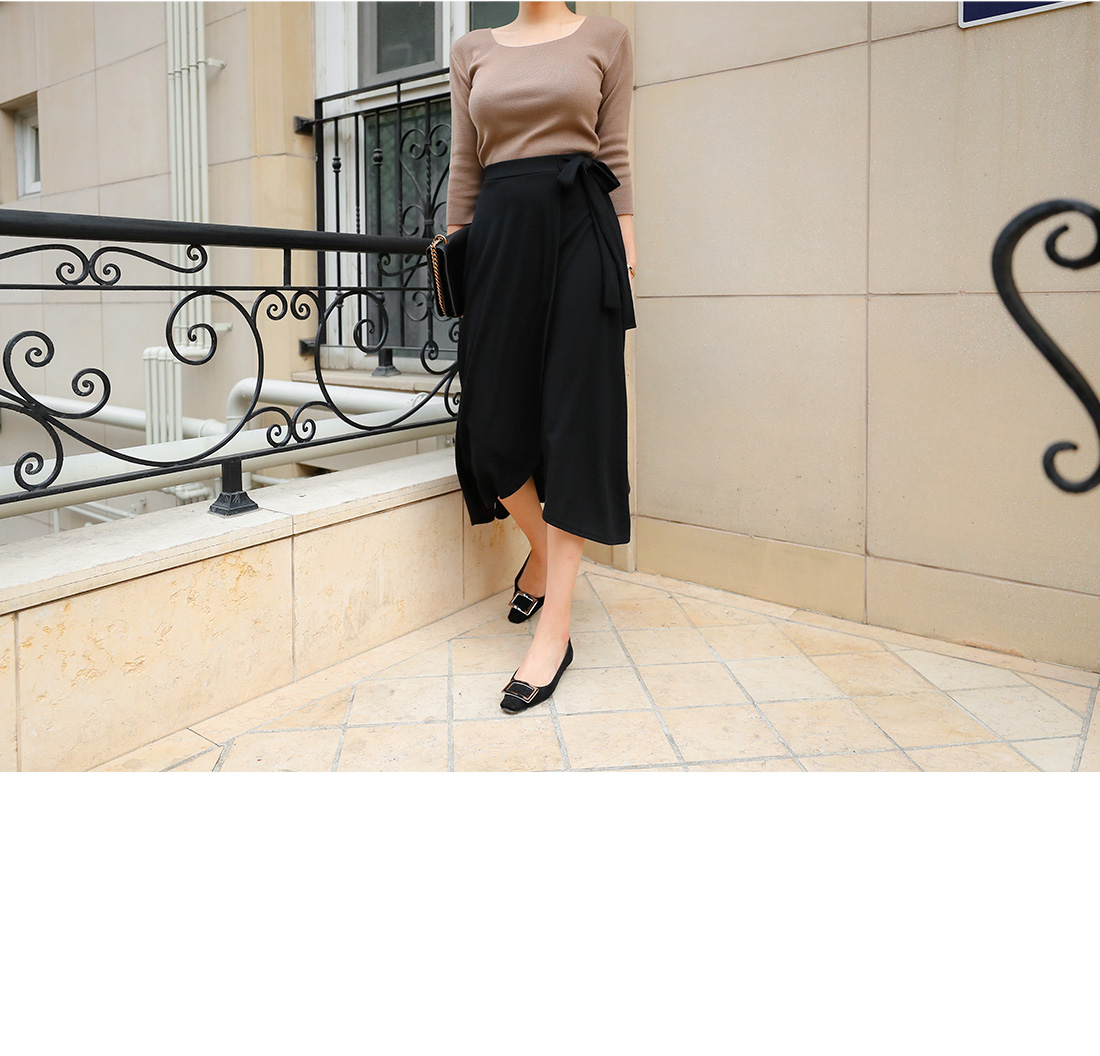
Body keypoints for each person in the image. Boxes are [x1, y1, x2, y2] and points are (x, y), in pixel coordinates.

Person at [446, 2, 637, 714]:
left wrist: (626, 250)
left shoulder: (607, 37)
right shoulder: (472, 49)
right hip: (500, 232)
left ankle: (554, 630)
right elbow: (465, 162)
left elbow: (615, 151)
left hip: (582, 226)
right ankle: (543, 557)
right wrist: (456, 252)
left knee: (576, 420)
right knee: (492, 425)